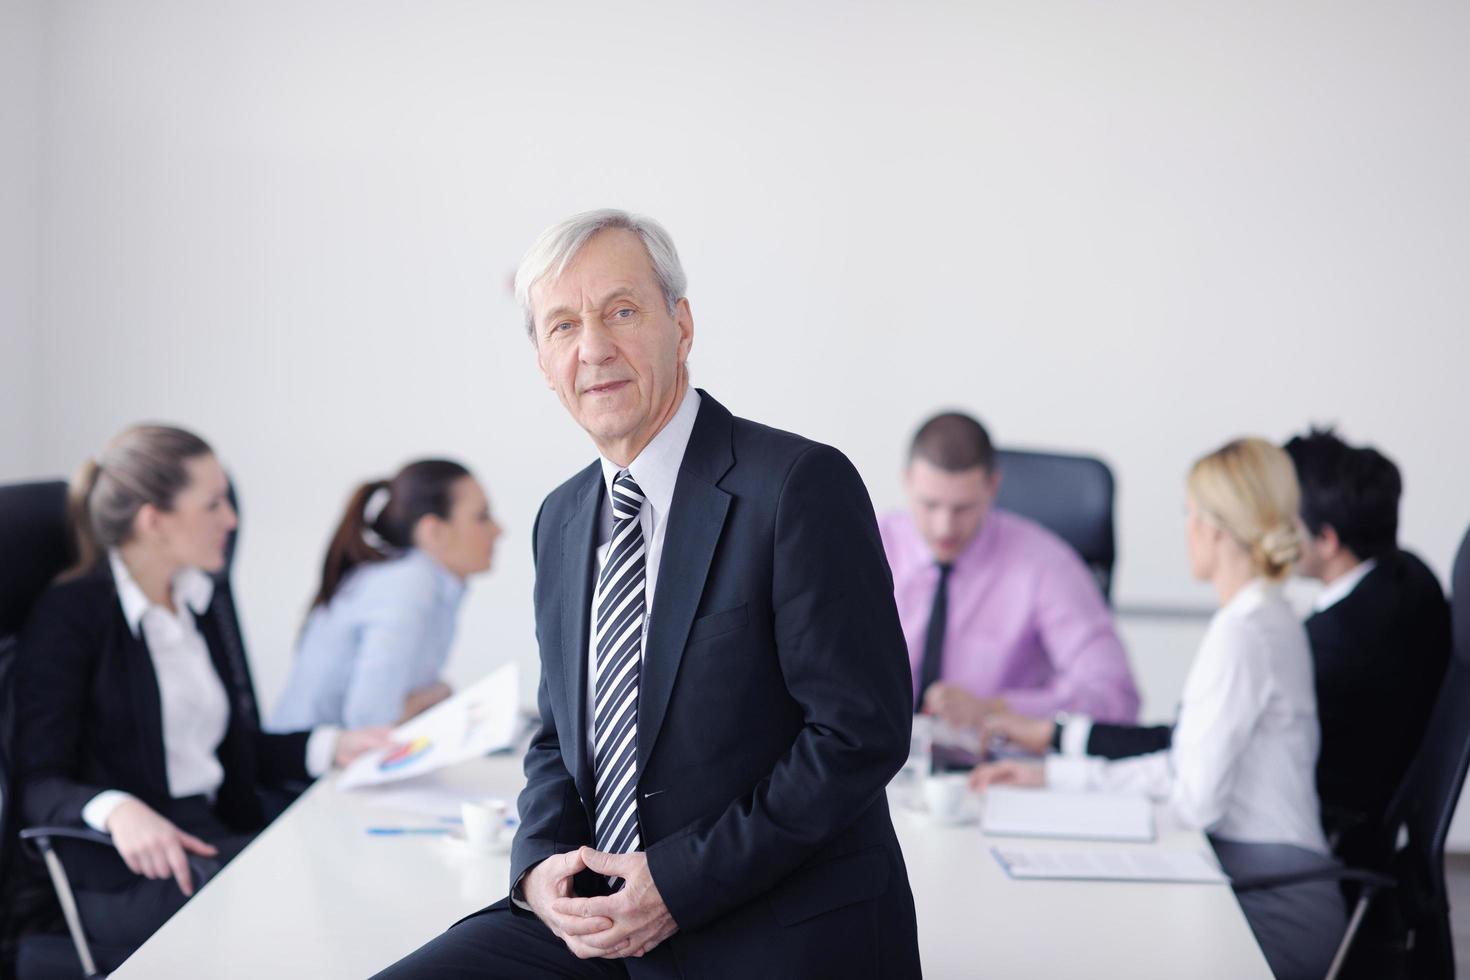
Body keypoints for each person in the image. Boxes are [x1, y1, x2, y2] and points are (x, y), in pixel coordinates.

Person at [374, 210, 919, 979]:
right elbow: (559, 739)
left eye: (620, 311)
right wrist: (539, 871)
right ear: (543, 362)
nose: (593, 347)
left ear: (681, 324)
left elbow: (859, 734)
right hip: (595, 921)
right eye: (562, 326)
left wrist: (678, 883)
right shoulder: (560, 519)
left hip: (764, 915)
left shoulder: (796, 486)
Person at [972, 438, 1344, 980]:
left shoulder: (1243, 635)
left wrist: (1066, 794)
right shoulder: (1265, 616)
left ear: (1213, 528)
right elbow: (1182, 768)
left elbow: (1193, 803)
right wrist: (1052, 777)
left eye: (1188, 515)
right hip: (1259, 872)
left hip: (1271, 898)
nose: (1186, 530)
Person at [14, 425, 390, 955]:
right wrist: (115, 808)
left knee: (354, 872)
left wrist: (329, 745)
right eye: (213, 504)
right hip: (124, 868)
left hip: (209, 834)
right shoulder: (71, 616)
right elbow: (36, 783)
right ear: (154, 521)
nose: (231, 520)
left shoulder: (198, 598)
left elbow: (227, 748)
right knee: (306, 914)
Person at [879, 411, 1139, 731]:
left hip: (999, 767)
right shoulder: (865, 547)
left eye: (963, 508)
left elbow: (1117, 697)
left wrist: (997, 710)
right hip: (877, 766)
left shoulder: (1045, 563)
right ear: (907, 481)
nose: (944, 527)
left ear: (992, 485)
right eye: (929, 505)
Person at [1285, 427, 1451, 865]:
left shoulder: (1329, 645)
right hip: (1371, 834)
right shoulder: (1411, 577)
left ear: (1327, 539)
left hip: (1322, 848)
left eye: (1289, 523)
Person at [271, 460, 502, 731]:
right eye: (482, 517)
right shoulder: (409, 584)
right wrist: (441, 693)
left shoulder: (427, 581)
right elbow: (370, 720)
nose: (498, 530)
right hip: (308, 768)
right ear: (434, 531)